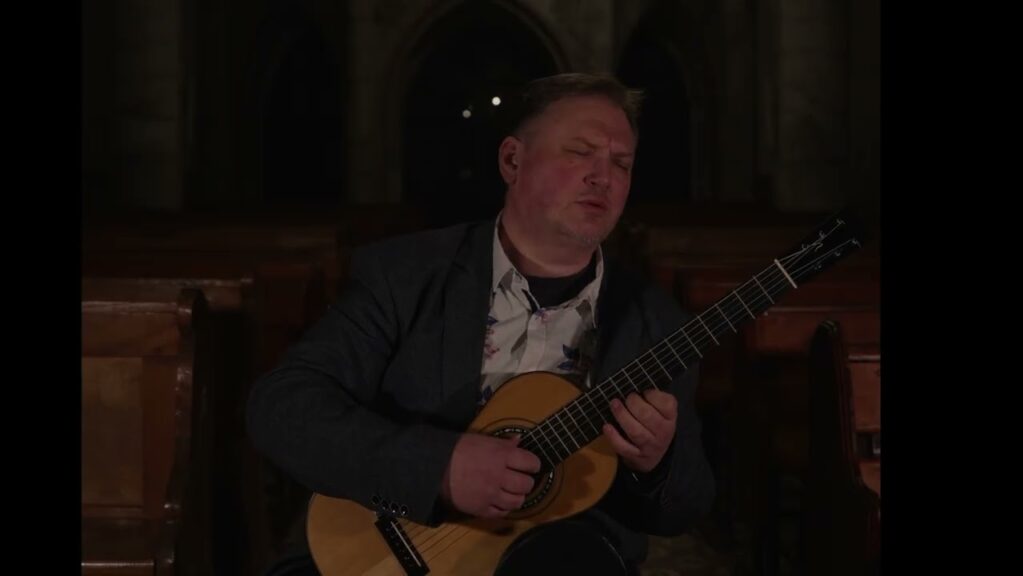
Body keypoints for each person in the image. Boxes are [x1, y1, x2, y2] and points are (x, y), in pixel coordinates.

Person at [247, 72, 715, 575]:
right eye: (580, 152)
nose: (603, 176)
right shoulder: (406, 276)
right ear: (512, 160)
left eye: (621, 163)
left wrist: (656, 463)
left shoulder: (657, 325)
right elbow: (283, 407)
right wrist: (439, 467)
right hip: (393, 549)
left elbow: (685, 507)